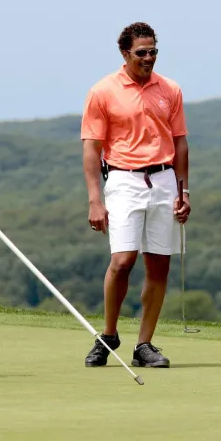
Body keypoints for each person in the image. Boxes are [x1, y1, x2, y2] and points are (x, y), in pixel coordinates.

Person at [80, 21, 191, 369]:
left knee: (159, 264)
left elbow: (180, 142)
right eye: (141, 52)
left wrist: (184, 189)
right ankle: (109, 334)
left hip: (164, 180)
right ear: (125, 53)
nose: (149, 58)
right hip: (123, 180)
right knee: (123, 260)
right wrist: (94, 199)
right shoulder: (103, 90)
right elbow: (91, 148)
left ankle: (144, 344)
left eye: (153, 51)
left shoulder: (170, 89)